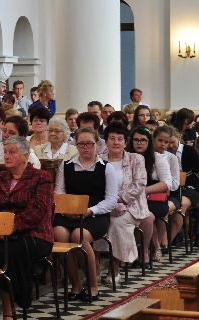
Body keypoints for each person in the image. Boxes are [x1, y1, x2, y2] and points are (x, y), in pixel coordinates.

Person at [0, 136, 53, 316]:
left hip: (34, 234)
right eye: (5, 152)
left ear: (25, 156)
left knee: (8, 255)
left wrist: (10, 227)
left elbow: (37, 211)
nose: (7, 156)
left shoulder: (41, 177)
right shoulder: (0, 177)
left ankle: (10, 312)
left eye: (12, 152)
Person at [54, 127, 118, 301]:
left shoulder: (106, 168)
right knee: (58, 234)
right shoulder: (66, 165)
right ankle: (75, 284)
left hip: (95, 214)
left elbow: (111, 200)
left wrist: (90, 211)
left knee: (78, 236)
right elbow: (59, 193)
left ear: (97, 144)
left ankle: (92, 286)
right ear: (76, 145)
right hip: (69, 212)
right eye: (81, 144)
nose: (85, 148)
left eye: (89, 144)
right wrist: (67, 210)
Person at [98, 123, 150, 285]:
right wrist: (106, 203)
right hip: (103, 205)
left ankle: (115, 268)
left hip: (130, 206)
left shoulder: (136, 159)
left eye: (120, 139)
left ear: (125, 142)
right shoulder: (98, 160)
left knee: (115, 223)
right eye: (111, 138)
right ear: (105, 141)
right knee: (93, 224)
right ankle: (96, 267)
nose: (115, 142)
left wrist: (117, 200)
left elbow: (139, 184)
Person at [126, 127, 171, 262]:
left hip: (153, 199)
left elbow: (167, 184)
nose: (139, 143)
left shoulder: (156, 158)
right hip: (130, 198)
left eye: (143, 140)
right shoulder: (126, 157)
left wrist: (143, 191)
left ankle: (145, 250)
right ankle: (134, 249)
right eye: (136, 140)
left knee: (148, 215)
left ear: (148, 142)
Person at [153, 126, 186, 249]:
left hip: (172, 194)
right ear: (154, 139)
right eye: (160, 141)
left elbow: (175, 182)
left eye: (166, 142)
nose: (163, 144)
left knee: (162, 210)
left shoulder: (171, 158)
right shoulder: (148, 155)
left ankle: (161, 244)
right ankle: (154, 244)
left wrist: (165, 188)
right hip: (152, 194)